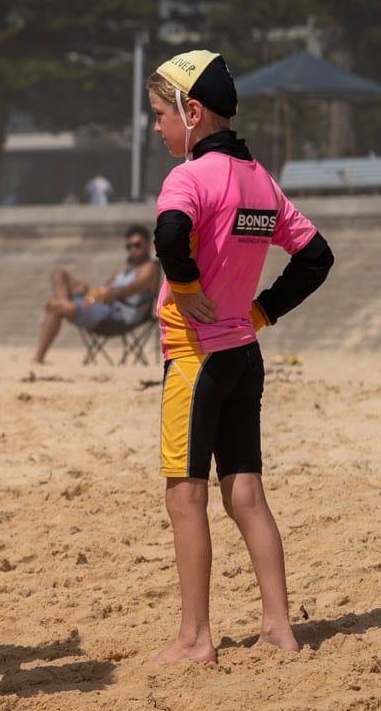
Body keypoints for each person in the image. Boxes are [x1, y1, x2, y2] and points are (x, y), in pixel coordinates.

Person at [143, 51, 334, 665]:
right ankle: (278, 625)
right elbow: (316, 258)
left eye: (159, 115)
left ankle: (195, 637)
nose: (156, 128)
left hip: (196, 360)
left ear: (191, 112)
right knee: (246, 491)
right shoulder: (260, 179)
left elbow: (170, 236)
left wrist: (192, 293)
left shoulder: (189, 179)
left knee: (185, 496)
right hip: (244, 354)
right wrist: (262, 312)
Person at [31, 225, 160, 364]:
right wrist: (90, 294)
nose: (132, 250)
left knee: (53, 306)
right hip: (103, 307)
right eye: (128, 247)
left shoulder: (150, 268)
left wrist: (98, 296)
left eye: (137, 245)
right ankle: (64, 302)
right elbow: (105, 288)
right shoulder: (122, 268)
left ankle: (38, 357)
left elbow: (129, 289)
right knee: (59, 274)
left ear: (149, 245)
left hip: (117, 317)